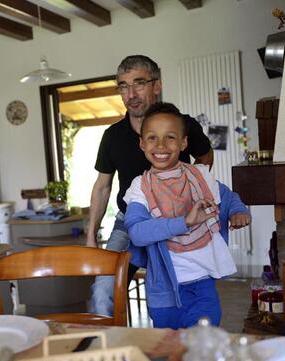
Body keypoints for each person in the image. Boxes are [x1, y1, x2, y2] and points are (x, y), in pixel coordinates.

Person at [87, 55, 213, 316]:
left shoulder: (185, 125)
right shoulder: (112, 136)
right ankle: (111, 352)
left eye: (139, 83)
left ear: (156, 85)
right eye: (123, 86)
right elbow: (102, 187)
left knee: (186, 293)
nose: (130, 93)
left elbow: (205, 157)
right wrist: (91, 235)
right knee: (103, 292)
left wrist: (192, 190)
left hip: (176, 220)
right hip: (130, 223)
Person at [124, 102, 250, 329]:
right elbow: (137, 233)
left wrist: (239, 211)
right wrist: (185, 222)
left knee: (202, 342)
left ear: (183, 143)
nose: (161, 145)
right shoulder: (140, 187)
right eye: (152, 137)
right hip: (163, 290)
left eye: (170, 137)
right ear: (142, 144)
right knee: (170, 349)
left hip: (203, 283)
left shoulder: (200, 176)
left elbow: (228, 198)